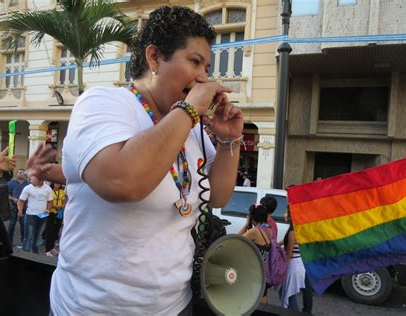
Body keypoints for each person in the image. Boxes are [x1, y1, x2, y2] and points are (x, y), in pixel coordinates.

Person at [31, 6, 243, 315]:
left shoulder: (187, 125)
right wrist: (188, 109)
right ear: (154, 58)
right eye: (195, 62)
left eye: (206, 68)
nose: (203, 78)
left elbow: (218, 194)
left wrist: (228, 141)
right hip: (91, 309)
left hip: (173, 306)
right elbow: (121, 182)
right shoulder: (104, 103)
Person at [280, 207, 313, 314]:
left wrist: (282, 269)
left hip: (293, 267)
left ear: (290, 216)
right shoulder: (299, 229)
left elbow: (288, 255)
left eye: (285, 212)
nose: (283, 215)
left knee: (288, 295)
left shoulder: (292, 233)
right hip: (299, 264)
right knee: (287, 293)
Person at [239, 204, 273, 305]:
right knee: (263, 298)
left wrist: (246, 225)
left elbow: (236, 239)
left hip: (253, 273)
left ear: (252, 217)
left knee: (249, 301)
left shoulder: (255, 231)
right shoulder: (268, 229)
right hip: (264, 271)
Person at [17, 175, 53, 253]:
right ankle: (25, 254)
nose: (32, 180)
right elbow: (21, 200)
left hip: (42, 216)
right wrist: (20, 210)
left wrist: (47, 209)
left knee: (37, 236)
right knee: (28, 236)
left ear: (42, 179)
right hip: (30, 215)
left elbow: (50, 201)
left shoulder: (48, 189)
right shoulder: (28, 188)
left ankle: (35, 253)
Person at [44, 182, 66, 257]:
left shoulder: (62, 191)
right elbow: (48, 202)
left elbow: (63, 201)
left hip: (59, 213)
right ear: (53, 184)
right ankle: (47, 250)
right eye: (56, 183)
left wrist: (62, 206)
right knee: (49, 231)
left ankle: (52, 248)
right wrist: (55, 206)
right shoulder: (49, 191)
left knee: (56, 231)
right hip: (51, 213)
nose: (57, 185)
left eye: (59, 184)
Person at [7, 168, 29, 245]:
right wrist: (14, 199)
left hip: (25, 207)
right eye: (20, 172)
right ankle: (9, 242)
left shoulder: (28, 184)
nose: (21, 174)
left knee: (23, 225)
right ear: (17, 174)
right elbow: (6, 195)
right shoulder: (11, 183)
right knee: (12, 224)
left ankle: (24, 242)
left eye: (23, 173)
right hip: (13, 207)